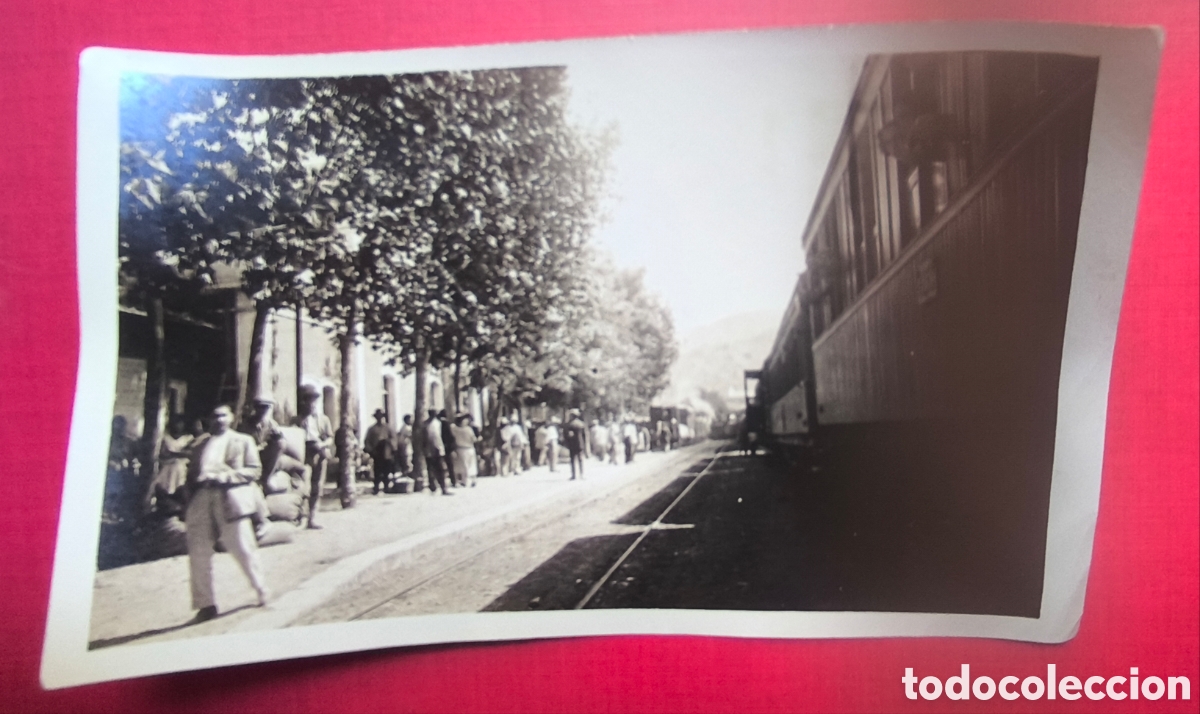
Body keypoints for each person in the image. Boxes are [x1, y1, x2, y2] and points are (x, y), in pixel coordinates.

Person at [184, 404, 270, 622]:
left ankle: (260, 589)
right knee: (199, 553)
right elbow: (190, 473)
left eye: (223, 415)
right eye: (214, 416)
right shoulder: (200, 444)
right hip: (202, 498)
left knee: (242, 548)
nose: (219, 419)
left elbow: (254, 470)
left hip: (230, 498)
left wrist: (224, 477)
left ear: (232, 418)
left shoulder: (242, 441)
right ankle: (206, 605)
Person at [293, 385, 334, 529]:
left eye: (313, 401)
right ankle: (301, 517)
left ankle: (312, 517)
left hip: (320, 452)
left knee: (318, 485)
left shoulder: (323, 419)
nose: (311, 404)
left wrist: (323, 445)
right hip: (304, 452)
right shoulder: (297, 419)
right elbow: (292, 437)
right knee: (304, 485)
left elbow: (330, 437)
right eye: (308, 400)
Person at [144, 415, 193, 515]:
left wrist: (173, 454)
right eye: (176, 423)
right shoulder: (166, 438)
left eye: (180, 423)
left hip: (182, 469)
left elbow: (190, 454)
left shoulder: (188, 438)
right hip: (168, 466)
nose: (178, 426)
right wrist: (179, 454)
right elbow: (162, 454)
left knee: (181, 483)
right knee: (161, 483)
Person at [363, 409, 397, 495]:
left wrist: (392, 447)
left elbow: (394, 439)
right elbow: (367, 441)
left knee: (387, 471)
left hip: (387, 453)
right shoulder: (372, 429)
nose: (380, 418)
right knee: (377, 471)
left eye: (381, 416)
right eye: (378, 417)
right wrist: (371, 450)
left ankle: (386, 487)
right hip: (377, 453)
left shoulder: (388, 428)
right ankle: (376, 487)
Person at [424, 410, 451, 495]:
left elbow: (441, 436)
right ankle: (433, 487)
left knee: (441, 469)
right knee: (430, 469)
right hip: (428, 450)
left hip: (438, 449)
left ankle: (443, 488)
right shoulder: (425, 424)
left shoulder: (439, 423)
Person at [450, 414, 480, 487]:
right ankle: (473, 479)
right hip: (469, 448)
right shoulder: (468, 429)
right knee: (471, 464)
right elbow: (473, 439)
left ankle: (464, 480)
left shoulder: (454, 429)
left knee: (463, 465)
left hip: (460, 448)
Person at [563, 410, 588, 480]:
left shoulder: (569, 424)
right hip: (580, 443)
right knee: (580, 459)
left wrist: (567, 443)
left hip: (572, 444)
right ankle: (581, 474)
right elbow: (585, 435)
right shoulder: (581, 424)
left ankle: (574, 475)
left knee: (572, 460)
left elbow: (565, 435)